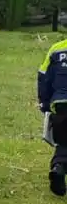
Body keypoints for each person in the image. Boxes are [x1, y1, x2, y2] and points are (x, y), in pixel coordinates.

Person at [38, 38, 67, 195]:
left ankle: (58, 168)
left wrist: (44, 103)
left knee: (63, 141)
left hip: (61, 104)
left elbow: (44, 76)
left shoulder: (56, 49)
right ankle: (59, 167)